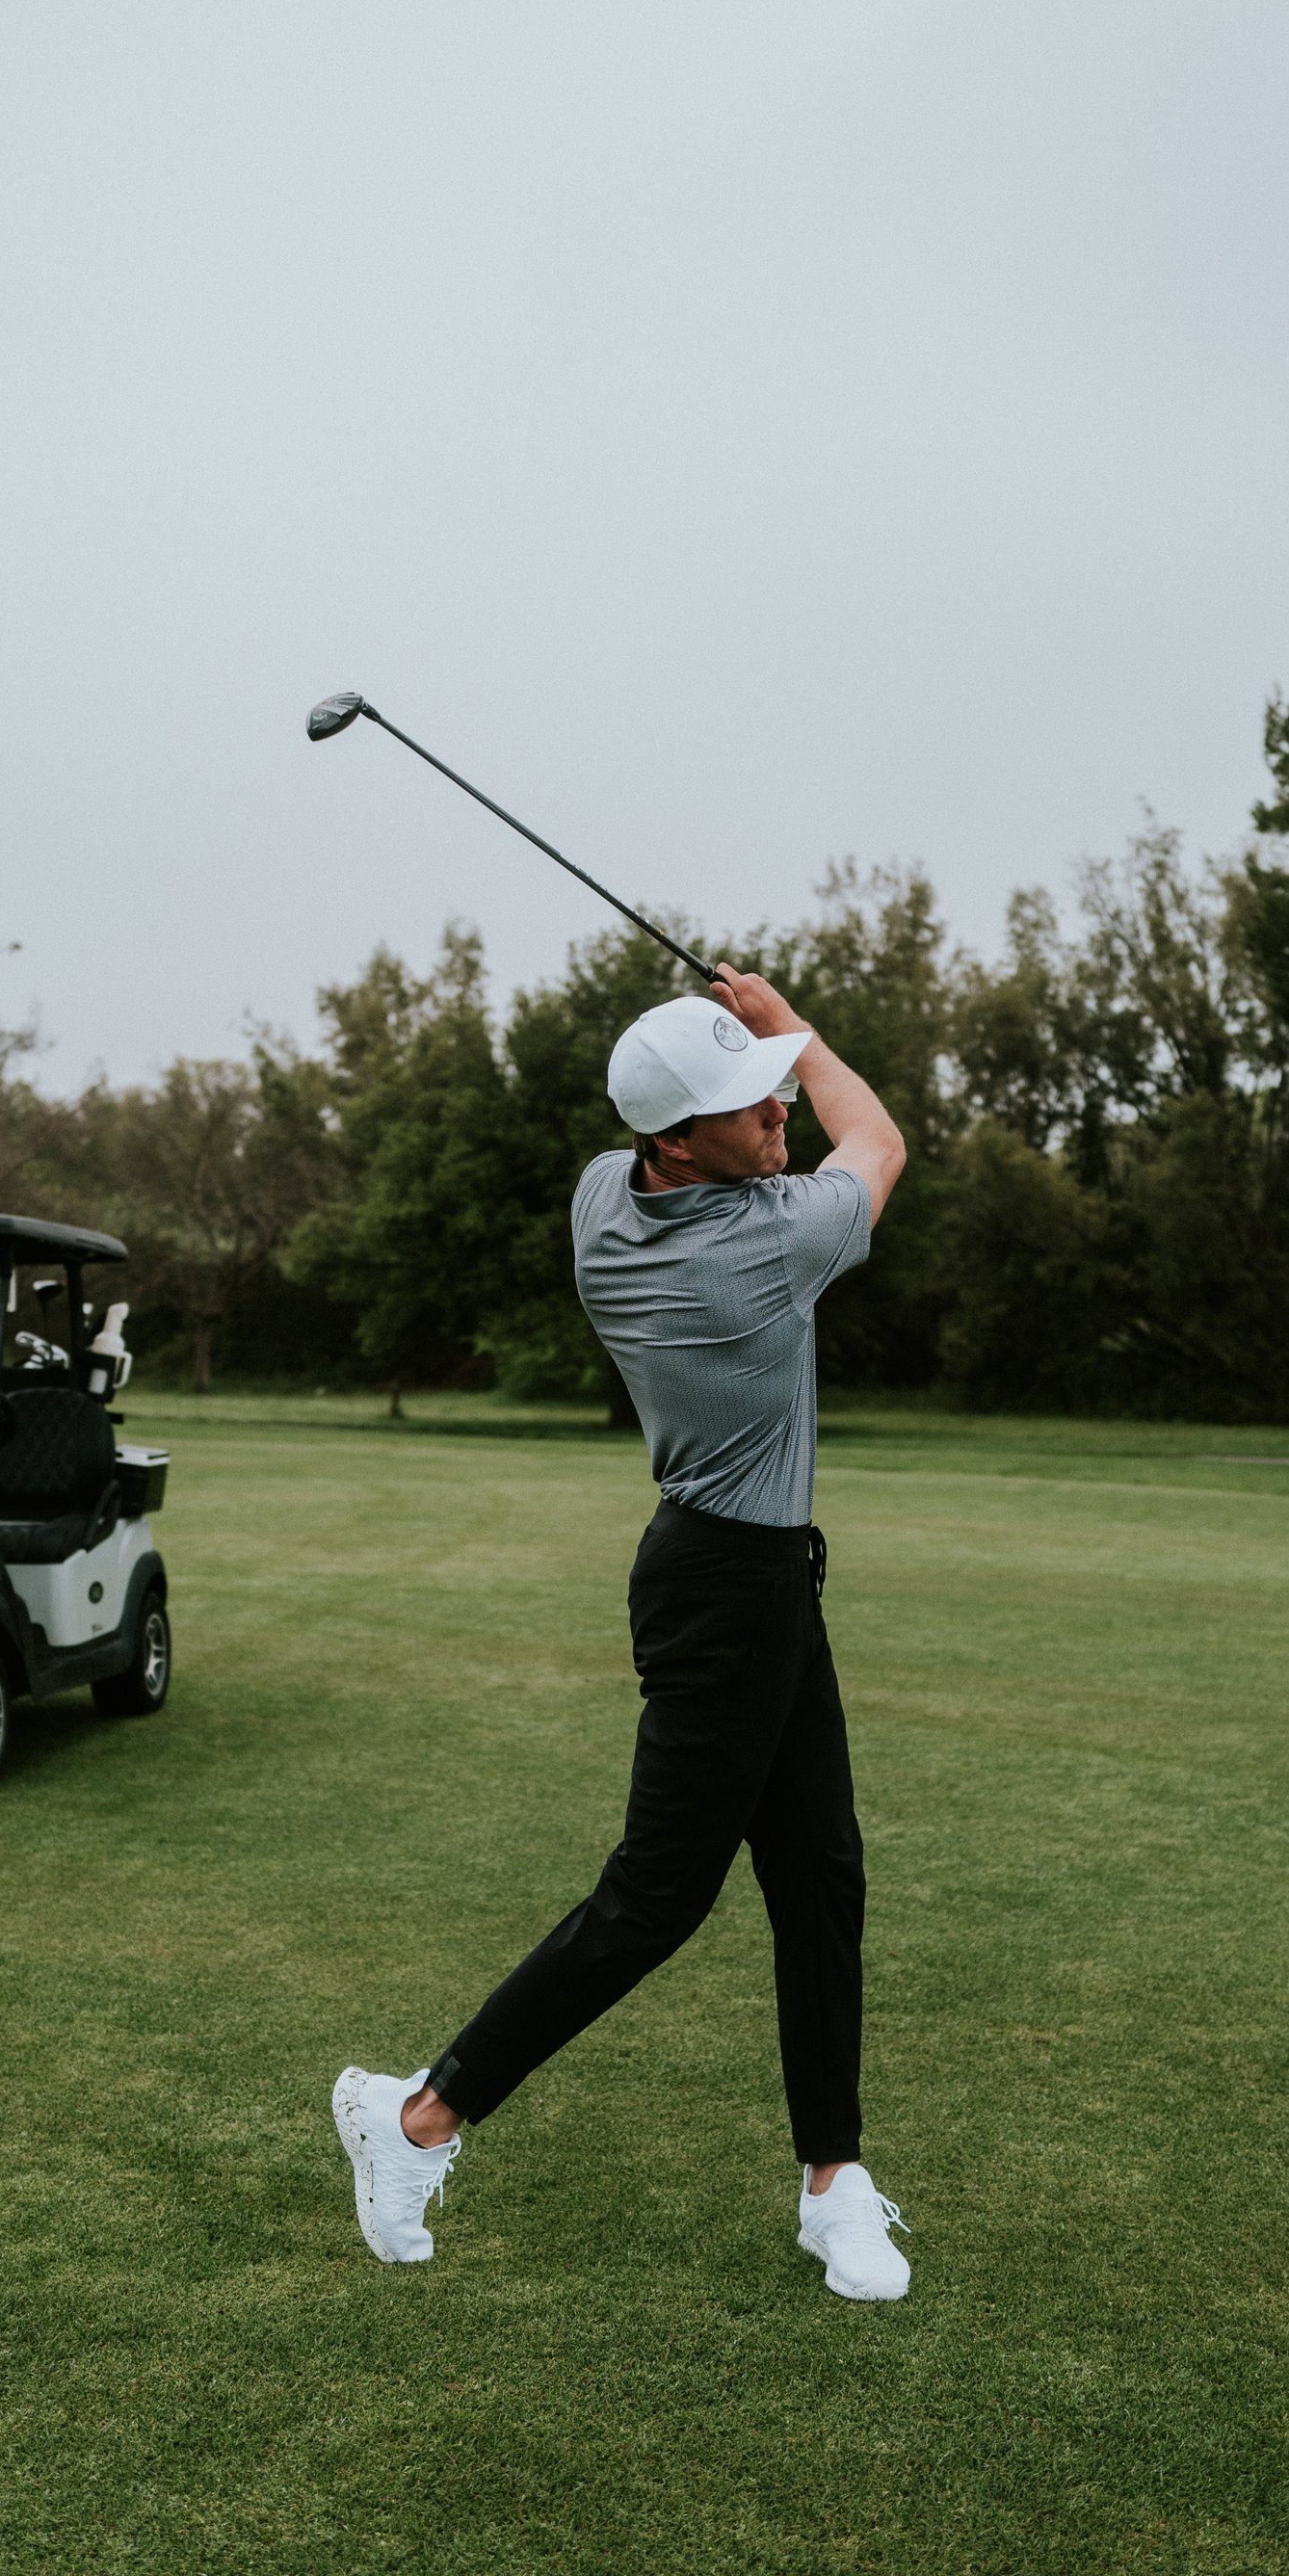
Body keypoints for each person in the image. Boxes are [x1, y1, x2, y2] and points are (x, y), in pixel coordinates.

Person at [331, 961, 913, 2300]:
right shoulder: (764, 1247)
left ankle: (834, 2184)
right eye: (749, 1104)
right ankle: (417, 2118)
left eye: (772, 1092)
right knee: (657, 1896)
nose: (778, 1110)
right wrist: (788, 1026)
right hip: (730, 1593)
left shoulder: (605, 1197)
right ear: (678, 1145)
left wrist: (737, 1051)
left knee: (821, 1876)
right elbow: (878, 1141)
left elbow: (746, 1133)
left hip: (747, 1578)